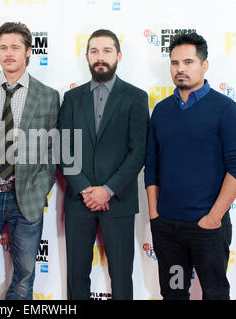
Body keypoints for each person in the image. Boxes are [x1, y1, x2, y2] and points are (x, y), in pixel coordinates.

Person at [145, 32, 236, 300]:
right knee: (174, 292)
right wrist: (156, 215)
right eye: (175, 63)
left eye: (189, 62)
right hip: (168, 229)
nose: (180, 69)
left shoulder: (226, 109)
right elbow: (152, 164)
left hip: (208, 229)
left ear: (204, 65)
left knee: (214, 292)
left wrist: (214, 217)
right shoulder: (162, 111)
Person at [0, 22, 60, 300]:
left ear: (29, 51)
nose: (8, 53)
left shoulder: (48, 96)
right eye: (3, 47)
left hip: (26, 198)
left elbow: (53, 151)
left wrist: (40, 188)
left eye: (15, 47)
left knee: (24, 279)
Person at [58, 29, 149, 300]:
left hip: (118, 201)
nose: (101, 57)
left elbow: (138, 151)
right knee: (76, 275)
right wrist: (86, 189)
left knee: (121, 276)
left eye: (107, 51)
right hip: (79, 200)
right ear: (87, 57)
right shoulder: (72, 99)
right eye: (95, 51)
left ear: (118, 56)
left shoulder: (136, 97)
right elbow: (64, 149)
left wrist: (107, 189)